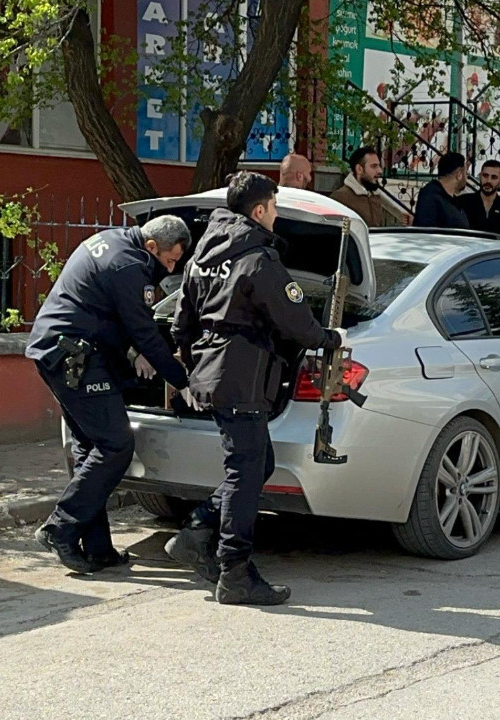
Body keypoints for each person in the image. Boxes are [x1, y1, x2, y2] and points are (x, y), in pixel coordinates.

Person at [165, 171, 345, 605]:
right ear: (260, 210)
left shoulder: (203, 257)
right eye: (276, 208)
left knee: (255, 464)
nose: (277, 216)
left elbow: (181, 323)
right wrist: (329, 338)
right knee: (246, 472)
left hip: (213, 374)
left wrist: (192, 359)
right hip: (242, 376)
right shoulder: (259, 260)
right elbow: (296, 320)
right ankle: (235, 572)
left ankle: (197, 531)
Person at [25, 216, 193, 573]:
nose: (171, 268)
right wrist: (180, 379)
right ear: (152, 247)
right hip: (75, 358)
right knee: (116, 445)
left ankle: (97, 547)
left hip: (62, 351)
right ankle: (60, 527)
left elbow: (106, 314)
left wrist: (132, 354)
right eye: (170, 260)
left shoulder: (114, 241)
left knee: (90, 450)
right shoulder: (128, 265)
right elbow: (144, 331)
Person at [328, 146, 409, 227]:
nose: (380, 171)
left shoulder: (375, 196)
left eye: (379, 166)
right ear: (359, 169)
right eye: (374, 166)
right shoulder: (340, 198)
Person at [455, 159, 500, 236]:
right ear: (480, 176)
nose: (488, 181)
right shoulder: (462, 203)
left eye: (494, 177)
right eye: (485, 175)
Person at [412, 151, 471, 229]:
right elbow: (425, 232)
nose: (467, 177)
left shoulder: (451, 200)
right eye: (466, 173)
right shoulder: (430, 197)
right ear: (459, 175)